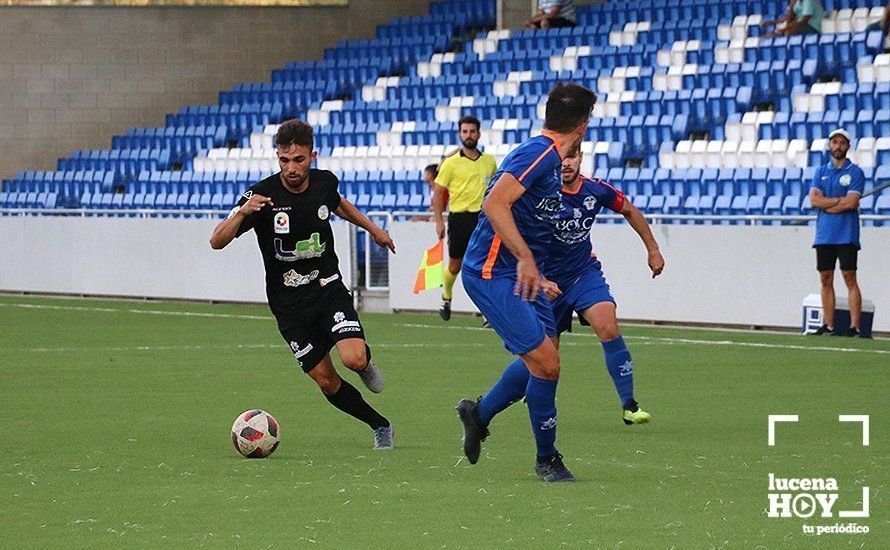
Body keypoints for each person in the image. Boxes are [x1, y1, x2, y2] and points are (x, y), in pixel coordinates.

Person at [209, 119, 397, 449]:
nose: (291, 168)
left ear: (312, 155)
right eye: (284, 160)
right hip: (290, 308)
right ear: (277, 157)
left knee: (352, 359)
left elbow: (338, 204)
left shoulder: (324, 183)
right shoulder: (259, 196)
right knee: (326, 381)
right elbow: (216, 241)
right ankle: (380, 424)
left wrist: (373, 229)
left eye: (298, 160)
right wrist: (242, 213)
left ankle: (364, 362)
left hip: (327, 288)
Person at [456, 82, 597, 483]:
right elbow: (494, 203)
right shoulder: (540, 154)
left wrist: (543, 271)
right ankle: (547, 459)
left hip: (521, 274)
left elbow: (527, 218)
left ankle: (477, 414)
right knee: (548, 365)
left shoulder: (546, 158)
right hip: (491, 272)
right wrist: (527, 260)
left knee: (541, 360)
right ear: (582, 126)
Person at [547, 150, 664, 424]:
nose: (566, 163)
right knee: (545, 360)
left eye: (571, 157)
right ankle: (535, 390)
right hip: (546, 281)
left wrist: (653, 249)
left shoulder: (596, 190)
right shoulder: (541, 195)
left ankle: (629, 405)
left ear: (580, 159)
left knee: (608, 326)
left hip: (582, 274)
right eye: (561, 158)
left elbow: (629, 210)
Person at [432, 115, 497, 321]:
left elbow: (495, 189)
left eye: (472, 131)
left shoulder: (489, 161)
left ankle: (488, 310)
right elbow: (438, 192)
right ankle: (446, 296)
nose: (468, 135)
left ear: (478, 133)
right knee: (455, 265)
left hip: (483, 219)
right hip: (459, 218)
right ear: (460, 134)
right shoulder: (451, 163)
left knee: (486, 265)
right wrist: (439, 220)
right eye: (465, 131)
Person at [808, 129, 866, 338]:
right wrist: (837, 202)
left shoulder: (855, 172)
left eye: (842, 142)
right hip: (824, 234)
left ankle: (854, 326)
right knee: (825, 278)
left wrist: (827, 203)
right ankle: (829, 325)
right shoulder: (821, 171)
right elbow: (814, 200)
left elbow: (851, 202)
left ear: (848, 146)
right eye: (834, 142)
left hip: (846, 233)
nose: (838, 146)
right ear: (829, 145)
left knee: (849, 277)